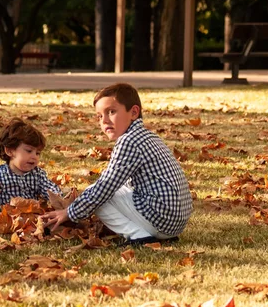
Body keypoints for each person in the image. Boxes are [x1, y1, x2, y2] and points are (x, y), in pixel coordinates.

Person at [43, 83, 193, 244]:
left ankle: (138, 235)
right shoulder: (148, 136)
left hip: (161, 221)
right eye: (99, 116)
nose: (104, 120)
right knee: (112, 190)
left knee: (96, 193)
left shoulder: (128, 141)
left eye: (111, 112)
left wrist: (70, 213)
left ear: (134, 112)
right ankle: (152, 233)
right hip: (176, 222)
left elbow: (105, 187)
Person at [0, 118, 61, 210]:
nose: (34, 156)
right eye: (29, 151)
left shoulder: (38, 174)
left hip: (30, 218)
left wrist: (57, 197)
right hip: (5, 219)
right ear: (9, 151)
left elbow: (49, 189)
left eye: (37, 153)